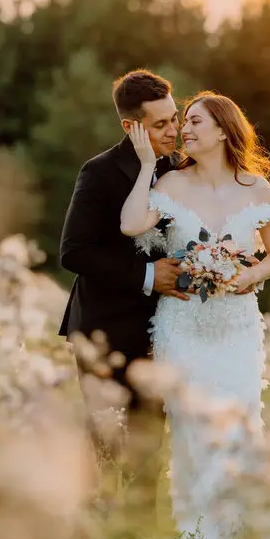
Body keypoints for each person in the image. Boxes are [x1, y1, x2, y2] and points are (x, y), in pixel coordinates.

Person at [119, 91, 270, 539]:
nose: (186, 130)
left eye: (196, 121)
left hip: (237, 331)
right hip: (182, 328)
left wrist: (250, 274)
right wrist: (144, 166)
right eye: (186, 123)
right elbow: (131, 224)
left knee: (239, 431)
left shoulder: (257, 189)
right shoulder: (173, 183)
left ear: (223, 129)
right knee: (193, 433)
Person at [58, 70, 186, 469]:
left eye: (175, 118)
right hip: (104, 329)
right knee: (107, 446)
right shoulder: (98, 173)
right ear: (131, 127)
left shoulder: (181, 168)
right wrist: (148, 276)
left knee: (149, 445)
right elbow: (74, 252)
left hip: (160, 327)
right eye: (160, 124)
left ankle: (139, 532)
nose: (173, 131)